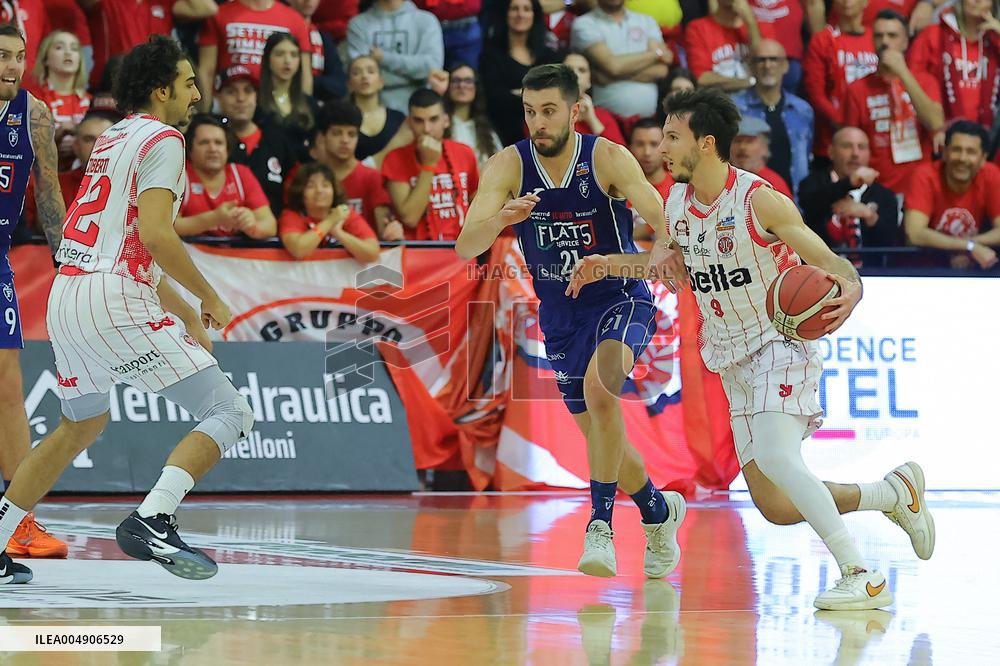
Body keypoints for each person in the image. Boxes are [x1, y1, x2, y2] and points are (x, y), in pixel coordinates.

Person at [567, 86, 936, 610]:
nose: (660, 149)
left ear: (707, 142)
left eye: (672, 137)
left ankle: (862, 574)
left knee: (780, 459)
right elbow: (665, 262)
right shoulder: (675, 200)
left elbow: (830, 260)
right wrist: (610, 263)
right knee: (776, 504)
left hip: (779, 341)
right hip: (729, 354)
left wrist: (853, 287)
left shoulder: (759, 199)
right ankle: (894, 494)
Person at [0, 35, 255, 584]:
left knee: (81, 422)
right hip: (113, 297)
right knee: (230, 412)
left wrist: (185, 312)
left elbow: (125, 240)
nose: (196, 93)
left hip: (68, 291)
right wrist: (208, 296)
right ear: (161, 90)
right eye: (188, 83)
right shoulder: (164, 139)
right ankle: (153, 519)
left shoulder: (114, 137)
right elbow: (156, 236)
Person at [456, 63, 689, 580]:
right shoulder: (507, 166)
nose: (537, 122)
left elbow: (664, 221)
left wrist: (649, 260)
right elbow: (465, 246)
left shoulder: (606, 157)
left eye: (548, 111)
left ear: (574, 110)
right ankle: (657, 511)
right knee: (603, 436)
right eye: (529, 112)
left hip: (619, 297)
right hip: (560, 315)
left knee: (603, 393)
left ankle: (600, 527)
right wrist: (501, 220)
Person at [0, 23, 69, 560]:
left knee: (8, 387)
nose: (12, 66)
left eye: (19, 56)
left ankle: (18, 521)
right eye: (2, 56)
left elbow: (49, 195)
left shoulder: (34, 114)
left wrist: (71, 264)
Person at [843, 9, 943, 196]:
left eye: (892, 35)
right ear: (872, 41)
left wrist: (903, 73)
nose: (885, 42)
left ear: (906, 42)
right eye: (879, 36)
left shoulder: (925, 82)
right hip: (876, 187)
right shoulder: (857, 88)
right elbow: (850, 144)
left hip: (920, 186)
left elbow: (936, 123)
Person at [382, 88, 479, 240]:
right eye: (418, 121)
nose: (427, 129)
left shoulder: (464, 153)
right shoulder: (394, 158)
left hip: (460, 251)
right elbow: (410, 217)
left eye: (433, 119)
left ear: (446, 121)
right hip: (417, 253)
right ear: (409, 122)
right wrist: (429, 165)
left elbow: (476, 201)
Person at [904, 120, 1000, 270]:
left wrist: (970, 245)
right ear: (945, 153)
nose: (962, 158)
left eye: (971, 152)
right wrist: (969, 247)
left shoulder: (991, 175)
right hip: (921, 271)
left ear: (983, 159)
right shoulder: (924, 175)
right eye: (956, 149)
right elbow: (914, 233)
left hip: (971, 269)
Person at [798, 127, 900, 264]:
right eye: (847, 146)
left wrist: (870, 216)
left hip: (872, 276)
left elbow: (890, 244)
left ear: (869, 153)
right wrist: (850, 183)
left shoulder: (884, 195)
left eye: (862, 147)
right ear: (831, 152)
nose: (855, 153)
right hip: (820, 274)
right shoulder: (813, 184)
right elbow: (810, 204)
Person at [732, 39, 814, 198]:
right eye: (760, 60)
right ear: (751, 66)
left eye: (773, 59)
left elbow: (807, 156)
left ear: (785, 66)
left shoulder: (803, 110)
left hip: (795, 205)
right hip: (747, 203)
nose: (767, 65)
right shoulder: (733, 107)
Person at [197, 0, 313, 113]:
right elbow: (207, 70)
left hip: (277, 108)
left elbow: (304, 72)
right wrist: (204, 112)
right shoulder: (219, 14)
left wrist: (302, 111)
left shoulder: (294, 19)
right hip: (232, 104)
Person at [177, 114, 277, 239]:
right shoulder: (179, 175)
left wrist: (252, 226)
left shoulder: (241, 174)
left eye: (218, 143)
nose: (212, 149)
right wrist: (215, 218)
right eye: (204, 143)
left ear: (227, 150)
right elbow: (169, 226)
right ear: (189, 150)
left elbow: (270, 225)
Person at [215, 65, 299, 215]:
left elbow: (294, 193)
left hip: (273, 234)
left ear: (256, 96)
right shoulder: (209, 141)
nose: (240, 98)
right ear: (219, 98)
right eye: (231, 92)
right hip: (219, 233)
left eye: (248, 90)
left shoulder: (278, 140)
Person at [314, 101, 402, 240]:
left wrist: (391, 231)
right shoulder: (309, 178)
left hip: (361, 258)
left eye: (352, 134)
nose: (345, 140)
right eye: (337, 133)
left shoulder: (371, 177)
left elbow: (384, 230)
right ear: (322, 136)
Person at [570, 0, 673, 119]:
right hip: (606, 120)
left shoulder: (646, 21)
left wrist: (611, 75)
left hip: (649, 122)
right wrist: (656, 54)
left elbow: (661, 70)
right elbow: (613, 66)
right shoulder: (584, 23)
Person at [803, 0, 878, 157]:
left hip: (874, 134)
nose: (846, 1)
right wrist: (843, 122)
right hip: (833, 139)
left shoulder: (876, 38)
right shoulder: (823, 40)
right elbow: (815, 92)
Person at [909, 0, 1000, 130]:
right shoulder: (933, 35)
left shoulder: (996, 40)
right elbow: (914, 80)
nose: (977, 0)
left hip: (988, 137)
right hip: (939, 134)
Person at [480, 0, 559, 146]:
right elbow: (495, 98)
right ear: (506, 13)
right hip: (505, 132)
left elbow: (556, 95)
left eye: (526, 9)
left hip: (545, 133)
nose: (520, 14)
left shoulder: (548, 55)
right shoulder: (491, 55)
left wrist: (517, 93)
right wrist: (538, 96)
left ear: (534, 14)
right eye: (514, 9)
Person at [345, 0, 444, 113]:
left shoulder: (426, 20)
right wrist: (413, 71)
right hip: (371, 110)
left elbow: (431, 68)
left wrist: (383, 58)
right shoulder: (358, 24)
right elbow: (360, 73)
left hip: (418, 110)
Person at [279, 162, 381, 262]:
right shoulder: (291, 215)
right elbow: (298, 250)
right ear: (300, 191)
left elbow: (372, 253)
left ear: (334, 190)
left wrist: (339, 234)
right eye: (311, 186)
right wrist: (330, 221)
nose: (319, 190)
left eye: (325, 185)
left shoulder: (345, 213)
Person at [29, 30, 91, 170]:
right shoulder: (31, 99)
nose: (68, 53)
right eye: (59, 47)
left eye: (74, 49)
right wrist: (54, 138)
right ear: (45, 59)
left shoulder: (91, 102)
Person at [683, 0, 763, 91]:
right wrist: (746, 82)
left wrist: (750, 23)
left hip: (755, 99)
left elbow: (765, 64)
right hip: (718, 99)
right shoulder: (697, 28)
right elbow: (701, 78)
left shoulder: (758, 27)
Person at [257, 31, 315, 156]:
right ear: (268, 59)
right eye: (279, 54)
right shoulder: (255, 101)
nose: (287, 61)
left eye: (294, 55)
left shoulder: (309, 103)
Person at [347, 55, 410, 166]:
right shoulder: (342, 120)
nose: (364, 76)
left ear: (381, 81)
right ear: (349, 84)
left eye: (370, 71)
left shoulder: (398, 118)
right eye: (356, 73)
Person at [446, 63, 504, 167]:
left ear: (476, 87)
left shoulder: (487, 131)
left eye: (468, 81)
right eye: (456, 80)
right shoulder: (440, 125)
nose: (461, 86)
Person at [58, 110, 119, 207]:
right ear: (76, 146)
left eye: (107, 139)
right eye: (89, 140)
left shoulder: (136, 186)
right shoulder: (57, 186)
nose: (98, 146)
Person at [562, 52, 625, 145]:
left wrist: (592, 120)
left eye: (582, 70)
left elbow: (621, 155)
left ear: (589, 81)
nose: (575, 74)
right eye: (569, 69)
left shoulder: (602, 116)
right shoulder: (545, 112)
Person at [628, 118, 674, 240]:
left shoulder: (679, 189)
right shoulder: (618, 190)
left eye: (654, 144)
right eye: (640, 144)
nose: (647, 152)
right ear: (630, 147)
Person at [729, 116, 794, 198]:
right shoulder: (721, 180)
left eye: (749, 142)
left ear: (764, 147)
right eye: (737, 141)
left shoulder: (773, 184)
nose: (742, 147)